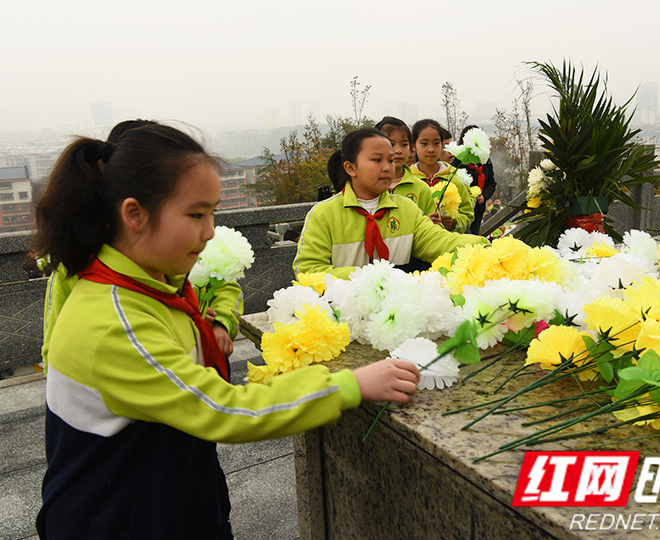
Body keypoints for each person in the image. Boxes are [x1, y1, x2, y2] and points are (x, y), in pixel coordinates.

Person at [34, 123, 420, 539]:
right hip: (118, 519)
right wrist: (349, 386)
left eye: (213, 212)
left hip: (167, 495)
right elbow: (225, 410)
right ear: (134, 214)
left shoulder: (149, 284)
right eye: (196, 214)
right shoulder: (114, 321)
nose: (210, 231)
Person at [40, 119, 242, 367]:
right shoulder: (88, 269)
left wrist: (204, 320)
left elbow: (223, 288)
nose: (209, 232)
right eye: (196, 214)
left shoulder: (165, 256)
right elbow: (57, 345)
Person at [293, 128, 486, 279]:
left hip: (395, 314)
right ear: (350, 168)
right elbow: (308, 271)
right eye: (377, 160)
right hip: (342, 318)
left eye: (391, 160)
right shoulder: (324, 214)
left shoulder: (406, 209)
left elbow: (438, 241)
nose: (387, 168)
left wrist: (483, 246)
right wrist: (367, 278)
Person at [408, 119, 474, 233]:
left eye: (436, 143)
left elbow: (468, 215)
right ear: (413, 146)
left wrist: (454, 223)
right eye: (424, 143)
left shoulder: (454, 177)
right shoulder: (407, 180)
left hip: (449, 246)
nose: (431, 149)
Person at [374, 116, 439, 224]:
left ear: (411, 147)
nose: (398, 151)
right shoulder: (368, 188)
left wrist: (428, 225)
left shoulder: (421, 188)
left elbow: (436, 229)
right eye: (391, 144)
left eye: (404, 144)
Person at [452, 125, 496, 235]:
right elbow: (452, 182)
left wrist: (484, 196)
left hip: (478, 211)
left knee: (475, 240)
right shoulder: (459, 160)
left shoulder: (485, 161)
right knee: (468, 239)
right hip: (462, 211)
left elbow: (492, 183)